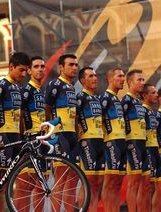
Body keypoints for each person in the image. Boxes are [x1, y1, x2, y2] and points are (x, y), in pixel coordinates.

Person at [0, 52, 30, 211]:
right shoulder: (2, 85)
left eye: (25, 71)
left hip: (16, 136)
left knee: (16, 178)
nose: (23, 74)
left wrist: (22, 136)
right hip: (4, 135)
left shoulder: (17, 88)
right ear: (11, 67)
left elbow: (20, 116)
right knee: (1, 179)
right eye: (21, 70)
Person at [44, 54, 78, 211]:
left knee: (73, 178)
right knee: (60, 178)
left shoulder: (71, 87)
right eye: (71, 64)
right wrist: (49, 129)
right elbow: (47, 107)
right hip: (60, 134)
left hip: (71, 134)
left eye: (76, 65)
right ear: (61, 67)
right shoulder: (55, 84)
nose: (74, 68)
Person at [76, 67, 104, 212]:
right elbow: (75, 118)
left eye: (95, 75)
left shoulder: (97, 98)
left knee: (98, 183)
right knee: (88, 182)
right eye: (91, 76)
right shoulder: (80, 97)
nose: (95, 78)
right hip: (88, 141)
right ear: (82, 80)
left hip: (100, 141)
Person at [19, 56, 45, 211]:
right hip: (30, 138)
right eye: (36, 66)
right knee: (25, 183)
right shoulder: (27, 90)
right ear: (29, 71)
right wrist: (23, 137)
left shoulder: (40, 90)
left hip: (42, 139)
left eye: (42, 66)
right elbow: (20, 114)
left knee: (42, 184)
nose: (40, 69)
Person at [100, 68, 127, 212]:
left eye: (124, 76)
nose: (123, 79)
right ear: (111, 79)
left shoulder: (117, 99)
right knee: (110, 182)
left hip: (121, 142)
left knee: (117, 183)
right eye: (120, 76)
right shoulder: (105, 97)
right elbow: (100, 119)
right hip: (111, 142)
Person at [121, 69, 148, 212]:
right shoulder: (126, 99)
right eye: (139, 80)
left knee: (144, 183)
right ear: (130, 82)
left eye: (143, 80)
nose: (142, 82)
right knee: (134, 182)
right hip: (133, 143)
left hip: (143, 143)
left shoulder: (138, 101)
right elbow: (121, 121)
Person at [141, 84, 161, 212]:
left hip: (155, 152)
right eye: (153, 93)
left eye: (155, 93)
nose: (155, 96)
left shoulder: (152, 113)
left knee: (156, 188)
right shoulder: (144, 112)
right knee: (148, 187)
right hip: (149, 150)